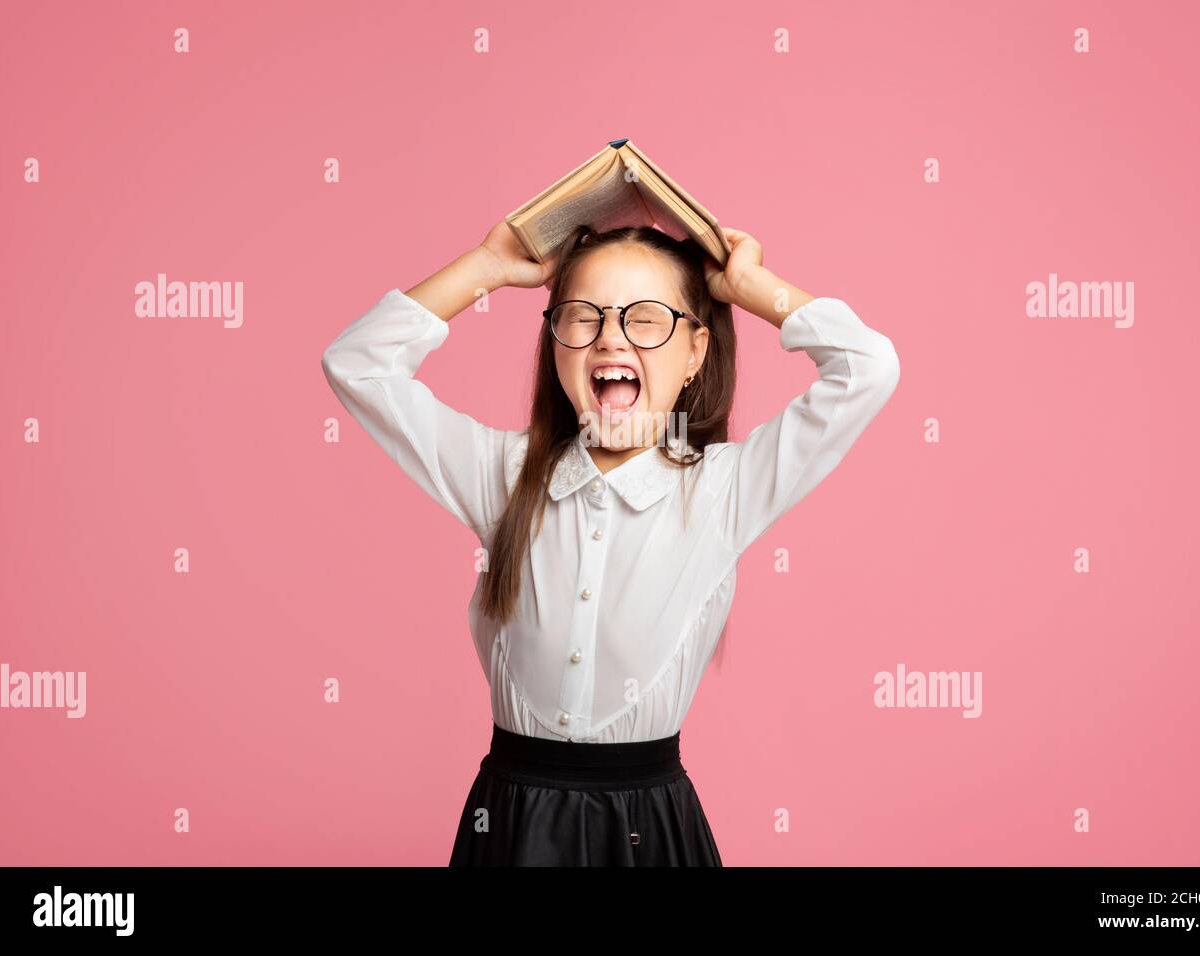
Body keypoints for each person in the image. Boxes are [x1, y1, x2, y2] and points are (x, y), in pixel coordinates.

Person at [321, 218, 901, 865]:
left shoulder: (722, 492)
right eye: (582, 317)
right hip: (511, 825)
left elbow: (867, 367)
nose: (610, 338)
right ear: (554, 343)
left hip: (650, 829)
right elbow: (357, 362)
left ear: (696, 352)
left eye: (646, 319)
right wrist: (488, 266)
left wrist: (752, 285)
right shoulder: (503, 477)